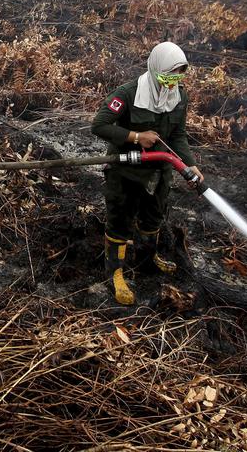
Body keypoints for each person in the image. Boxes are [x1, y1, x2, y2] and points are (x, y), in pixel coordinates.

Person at [91, 41, 204, 305]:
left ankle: (146, 260)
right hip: (126, 171)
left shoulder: (179, 96)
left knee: (153, 218)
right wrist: (135, 136)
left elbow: (177, 135)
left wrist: (190, 164)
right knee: (120, 220)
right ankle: (115, 273)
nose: (172, 82)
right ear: (155, 69)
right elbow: (99, 125)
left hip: (159, 172)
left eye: (179, 75)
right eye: (168, 75)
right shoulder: (128, 94)